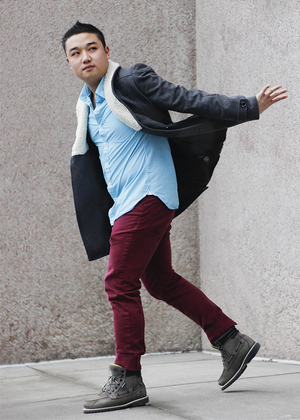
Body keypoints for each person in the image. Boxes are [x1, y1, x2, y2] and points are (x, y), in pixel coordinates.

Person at [62, 21, 287, 414]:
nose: (85, 57)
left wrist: (248, 106)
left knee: (119, 282)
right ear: (68, 62)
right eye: (76, 52)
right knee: (160, 281)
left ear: (106, 50)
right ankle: (230, 339)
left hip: (148, 195)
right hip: (127, 205)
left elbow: (187, 99)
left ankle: (127, 376)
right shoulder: (87, 105)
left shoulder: (131, 79)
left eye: (92, 48)